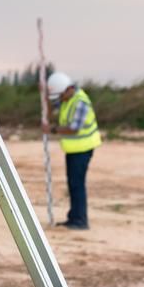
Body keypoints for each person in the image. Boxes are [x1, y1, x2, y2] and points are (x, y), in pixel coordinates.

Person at [44, 72, 101, 230]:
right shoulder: (66, 99)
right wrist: (45, 96)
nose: (59, 99)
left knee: (77, 184)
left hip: (83, 149)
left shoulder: (80, 102)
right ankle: (74, 218)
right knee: (73, 184)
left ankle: (80, 221)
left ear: (68, 89)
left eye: (60, 95)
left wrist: (52, 129)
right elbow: (50, 111)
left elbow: (74, 129)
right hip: (73, 149)